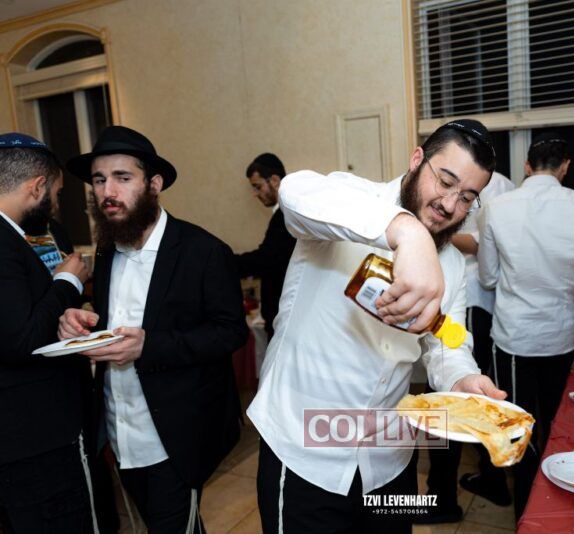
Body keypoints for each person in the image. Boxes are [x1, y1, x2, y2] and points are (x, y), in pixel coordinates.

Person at [247, 119, 506, 533]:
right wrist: (407, 232)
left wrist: (463, 379)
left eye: (466, 198)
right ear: (417, 160)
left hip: (388, 460)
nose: (449, 205)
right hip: (304, 454)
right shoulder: (352, 200)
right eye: (445, 181)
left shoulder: (454, 266)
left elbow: (446, 345)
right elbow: (294, 192)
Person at [57, 126, 249, 533]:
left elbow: (231, 332)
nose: (108, 191)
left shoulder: (203, 251)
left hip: (174, 437)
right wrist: (82, 320)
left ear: (154, 184)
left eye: (122, 178)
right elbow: (115, 320)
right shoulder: (107, 250)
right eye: (98, 180)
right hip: (119, 431)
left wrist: (150, 346)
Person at [477, 131, 574, 518]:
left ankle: (526, 515)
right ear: (565, 167)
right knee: (557, 427)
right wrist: (569, 271)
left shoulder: (497, 207)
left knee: (518, 428)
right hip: (560, 336)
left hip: (514, 337)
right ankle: (556, 514)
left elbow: (488, 277)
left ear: (527, 166)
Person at [0, 133, 95, 533]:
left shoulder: (18, 235)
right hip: (30, 431)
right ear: (37, 187)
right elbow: (20, 339)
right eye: (55, 193)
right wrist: (68, 282)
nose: (56, 204)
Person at [418, 171, 515, 523]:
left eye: (466, 198)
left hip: (473, 301)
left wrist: (426, 233)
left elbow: (481, 246)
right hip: (482, 303)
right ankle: (489, 479)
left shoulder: (495, 187)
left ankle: (443, 498)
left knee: (448, 402)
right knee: (465, 394)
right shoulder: (504, 186)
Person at [235, 153, 296, 339]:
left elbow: (266, 259)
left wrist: (224, 261)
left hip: (285, 318)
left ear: (275, 180)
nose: (255, 194)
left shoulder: (285, 215)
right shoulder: (285, 214)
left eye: (258, 186)